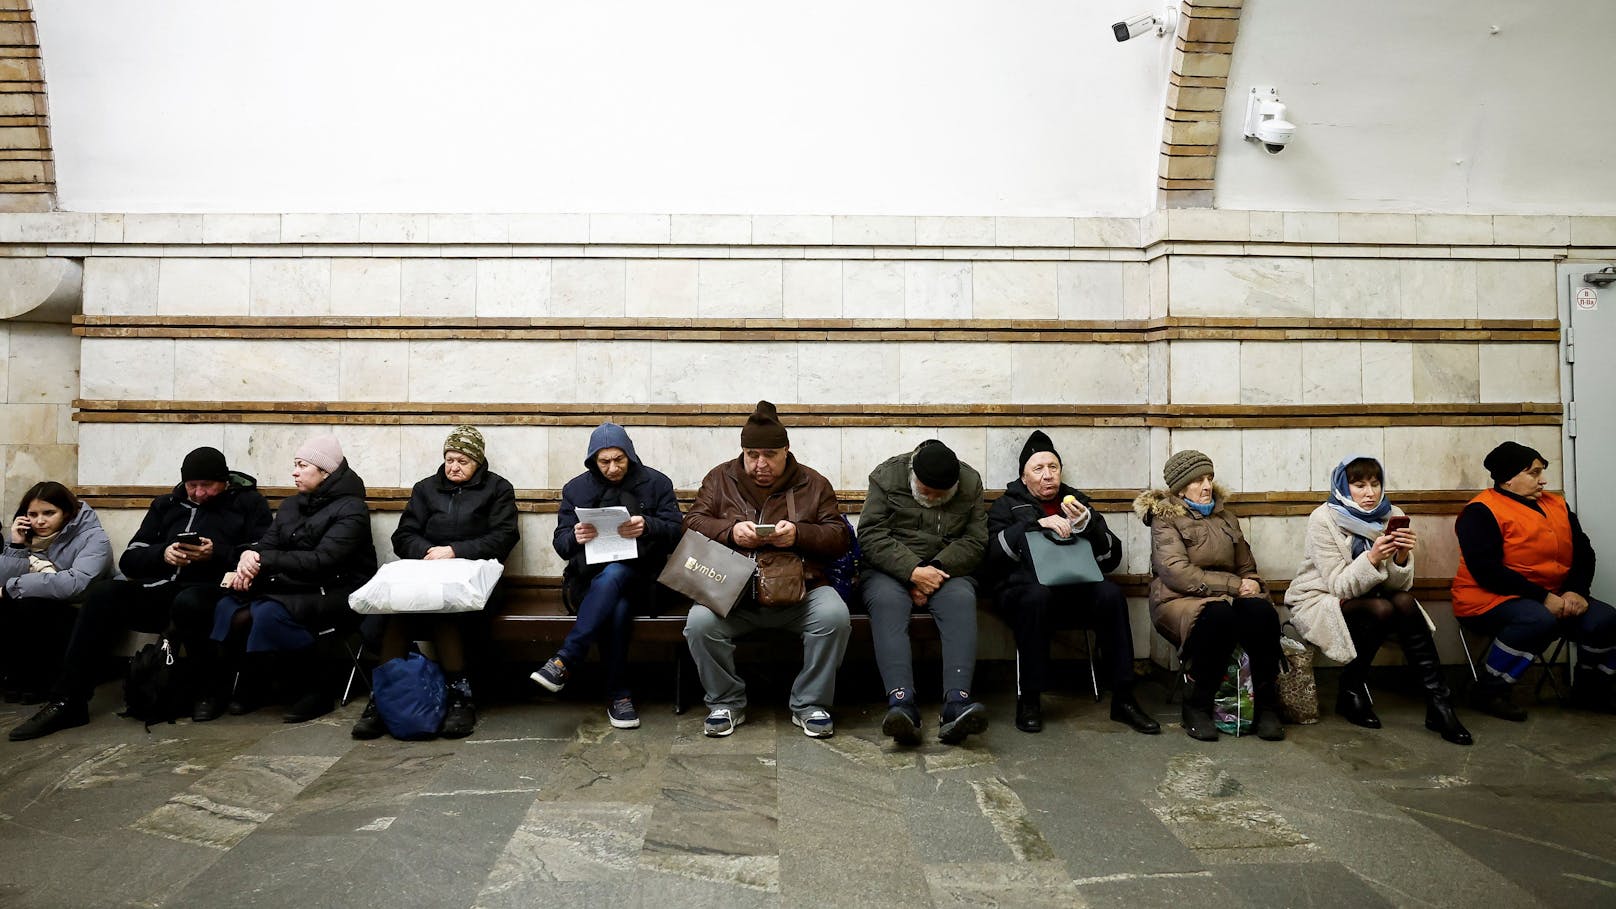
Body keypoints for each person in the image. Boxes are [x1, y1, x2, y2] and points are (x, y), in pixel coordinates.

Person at [10, 449, 272, 741]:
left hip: (212, 592)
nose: (199, 493)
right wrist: (165, 554)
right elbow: (131, 558)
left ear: (223, 482)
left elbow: (261, 552)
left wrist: (215, 553)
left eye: (207, 485)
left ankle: (209, 691)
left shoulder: (248, 504)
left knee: (191, 602)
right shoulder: (166, 505)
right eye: (192, 485)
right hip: (160, 590)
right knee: (103, 594)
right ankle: (68, 700)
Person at [175, 434, 377, 725]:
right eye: (295, 465)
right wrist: (248, 560)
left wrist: (264, 561)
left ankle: (315, 688)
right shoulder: (292, 505)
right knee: (228, 606)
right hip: (292, 584)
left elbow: (324, 561)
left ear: (325, 472)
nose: (294, 472)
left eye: (302, 466)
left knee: (267, 612)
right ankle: (247, 683)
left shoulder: (352, 509)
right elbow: (266, 545)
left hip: (338, 587)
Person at [682, 401, 852, 738]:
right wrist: (730, 531)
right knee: (700, 624)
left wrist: (799, 534)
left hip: (802, 589)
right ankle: (726, 702)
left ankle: (809, 703)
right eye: (752, 454)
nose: (760, 464)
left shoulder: (813, 483)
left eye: (769, 455)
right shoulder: (719, 478)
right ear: (742, 451)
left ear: (786, 451)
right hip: (734, 590)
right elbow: (691, 523)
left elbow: (839, 537)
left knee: (834, 617)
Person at [981, 431, 1160, 735]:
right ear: (1024, 477)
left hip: (1074, 590)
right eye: (1038, 469)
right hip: (1024, 593)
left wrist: (1088, 527)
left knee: (1111, 595)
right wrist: (1033, 526)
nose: (1048, 475)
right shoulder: (1006, 506)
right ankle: (1030, 699)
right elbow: (991, 557)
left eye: (1053, 467)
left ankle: (1124, 698)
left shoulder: (1078, 502)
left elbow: (1111, 557)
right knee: (1036, 598)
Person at [1286, 455, 1471, 745]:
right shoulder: (1324, 518)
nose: (1370, 493)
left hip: (1373, 594)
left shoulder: (1390, 513)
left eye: (1375, 484)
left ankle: (1440, 703)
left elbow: (1400, 585)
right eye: (1359, 485)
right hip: (1321, 598)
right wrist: (1372, 558)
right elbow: (1339, 585)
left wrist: (1400, 556)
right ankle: (1351, 688)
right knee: (1381, 608)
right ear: (1343, 488)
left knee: (1404, 603)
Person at [350, 426, 519, 740]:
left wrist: (456, 551)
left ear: (478, 462)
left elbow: (504, 537)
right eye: (449, 459)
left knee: (446, 612)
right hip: (427, 576)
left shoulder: (497, 489)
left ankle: (459, 696)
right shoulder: (425, 489)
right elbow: (403, 535)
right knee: (396, 613)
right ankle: (383, 698)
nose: (454, 466)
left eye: (463, 461)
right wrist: (427, 551)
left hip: (476, 581)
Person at [531, 422, 681, 730]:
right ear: (593, 461)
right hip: (587, 584)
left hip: (644, 582)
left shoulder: (656, 482)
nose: (613, 468)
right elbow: (561, 545)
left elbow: (677, 532)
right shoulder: (577, 489)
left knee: (619, 579)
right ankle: (618, 696)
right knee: (617, 603)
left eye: (619, 460)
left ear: (630, 456)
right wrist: (575, 537)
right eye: (604, 461)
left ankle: (565, 660)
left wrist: (649, 525)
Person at [1452, 441, 1615, 721]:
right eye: (1534, 473)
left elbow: (1583, 551)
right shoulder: (1481, 511)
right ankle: (1489, 690)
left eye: (1542, 472)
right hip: (1486, 599)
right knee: (1538, 619)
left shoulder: (1556, 504)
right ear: (1508, 479)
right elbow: (1487, 571)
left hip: (1555, 596)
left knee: (1607, 620)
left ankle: (1592, 690)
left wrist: (1577, 591)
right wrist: (1543, 598)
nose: (1544, 480)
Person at [1133, 450, 1284, 742]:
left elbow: (1246, 566)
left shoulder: (1225, 517)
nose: (1206, 486)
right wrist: (1232, 585)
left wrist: (1252, 583)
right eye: (1198, 480)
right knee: (1217, 616)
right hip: (1177, 600)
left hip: (1226, 595)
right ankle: (1197, 705)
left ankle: (1267, 706)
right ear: (1180, 488)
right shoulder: (1165, 520)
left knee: (1261, 613)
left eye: (1209, 478)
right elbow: (1176, 572)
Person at [858, 440, 989, 745]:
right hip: (889, 569)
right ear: (913, 476)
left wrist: (935, 570)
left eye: (940, 495)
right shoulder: (886, 476)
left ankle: (957, 702)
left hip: (947, 570)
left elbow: (976, 541)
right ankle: (901, 704)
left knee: (961, 599)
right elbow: (870, 534)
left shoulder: (970, 483)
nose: (931, 499)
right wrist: (913, 572)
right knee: (888, 602)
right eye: (925, 491)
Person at [2, 482, 113, 740]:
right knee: (13, 604)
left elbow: (75, 585)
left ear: (66, 512)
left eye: (48, 513)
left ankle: (38, 682)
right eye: (33, 514)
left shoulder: (93, 537)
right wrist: (16, 545)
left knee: (31, 604)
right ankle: (18, 679)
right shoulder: (24, 536)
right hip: (38, 609)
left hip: (80, 614)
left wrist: (12, 587)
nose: (39, 521)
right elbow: (3, 582)